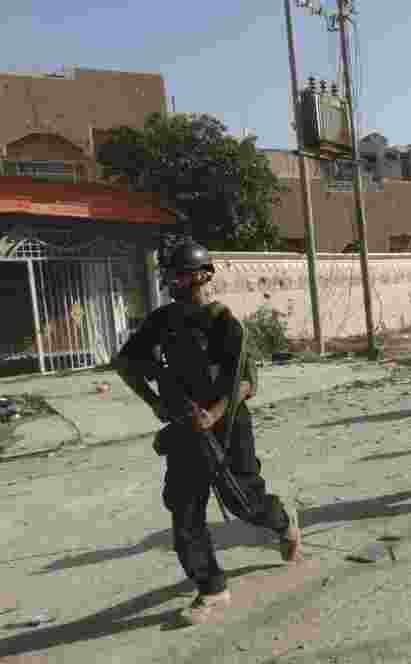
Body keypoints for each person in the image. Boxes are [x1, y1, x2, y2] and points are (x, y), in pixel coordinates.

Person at [113, 240, 302, 626]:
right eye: (170, 275)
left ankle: (283, 522)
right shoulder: (161, 321)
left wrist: (213, 414)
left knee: (243, 502)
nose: (174, 281)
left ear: (203, 276)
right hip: (184, 428)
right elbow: (125, 363)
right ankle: (211, 587)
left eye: (181, 274)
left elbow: (245, 383)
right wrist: (153, 402)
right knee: (184, 510)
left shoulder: (223, 322)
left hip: (229, 424)